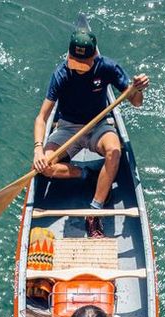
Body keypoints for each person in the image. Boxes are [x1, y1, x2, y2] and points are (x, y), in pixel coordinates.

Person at [33, 29, 149, 239]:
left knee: (114, 151)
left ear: (94, 56)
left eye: (83, 64)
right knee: (44, 168)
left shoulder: (107, 68)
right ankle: (89, 175)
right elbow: (42, 117)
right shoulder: (61, 74)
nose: (78, 68)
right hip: (67, 128)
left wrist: (137, 89)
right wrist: (38, 150)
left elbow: (137, 102)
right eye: (74, 62)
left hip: (98, 126)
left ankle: (94, 212)